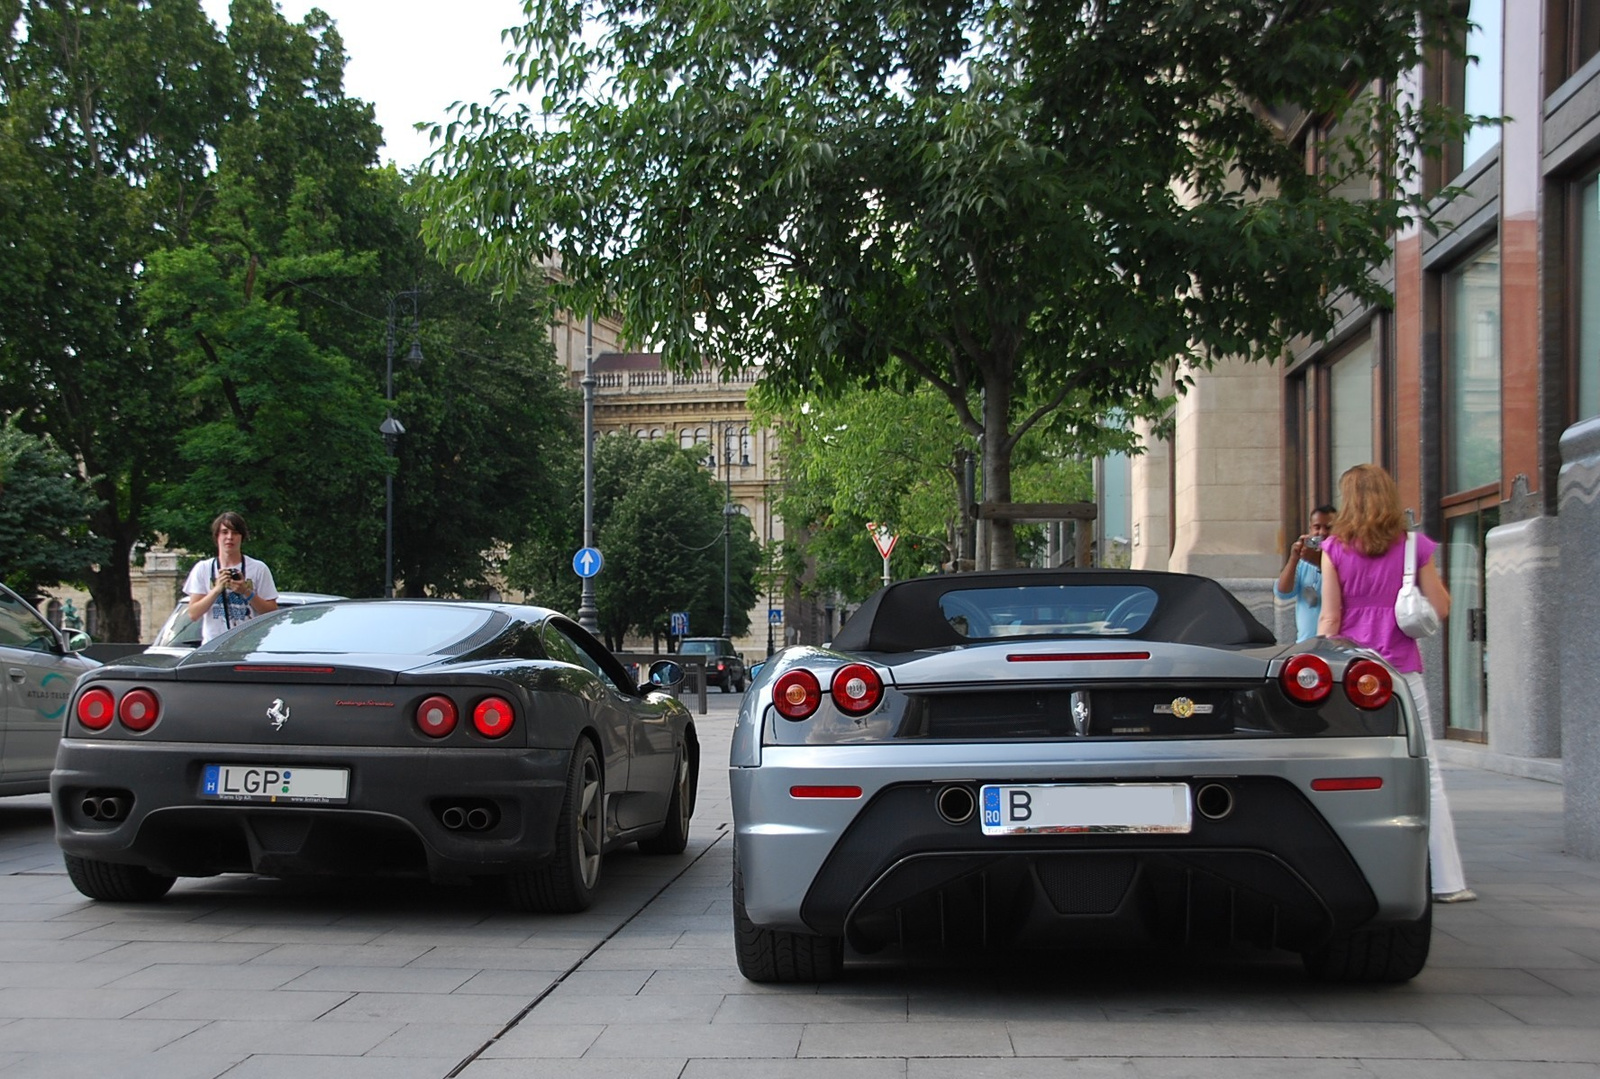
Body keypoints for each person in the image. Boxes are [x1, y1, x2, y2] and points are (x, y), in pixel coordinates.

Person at [1317, 464, 1474, 904]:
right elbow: (1440, 605)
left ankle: (1358, 873)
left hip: (1353, 675)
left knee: (1351, 766)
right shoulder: (1415, 547)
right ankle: (1447, 882)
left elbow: (1330, 618)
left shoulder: (1334, 548)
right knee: (1428, 770)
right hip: (1402, 670)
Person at [183, 511, 279, 644]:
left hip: (248, 645)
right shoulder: (203, 568)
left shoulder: (258, 568)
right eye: (224, 532)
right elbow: (193, 614)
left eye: (235, 533)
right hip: (213, 646)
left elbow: (272, 612)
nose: (229, 537)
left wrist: (246, 591)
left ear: (242, 537)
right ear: (217, 536)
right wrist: (216, 590)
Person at [1274, 504, 1336, 642]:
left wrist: (1317, 561)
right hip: (1306, 642)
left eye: (1328, 527)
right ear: (1310, 530)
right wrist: (1294, 559)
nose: (1322, 532)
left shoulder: (1343, 560)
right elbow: (1283, 592)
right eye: (1317, 527)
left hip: (1334, 642)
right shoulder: (1304, 560)